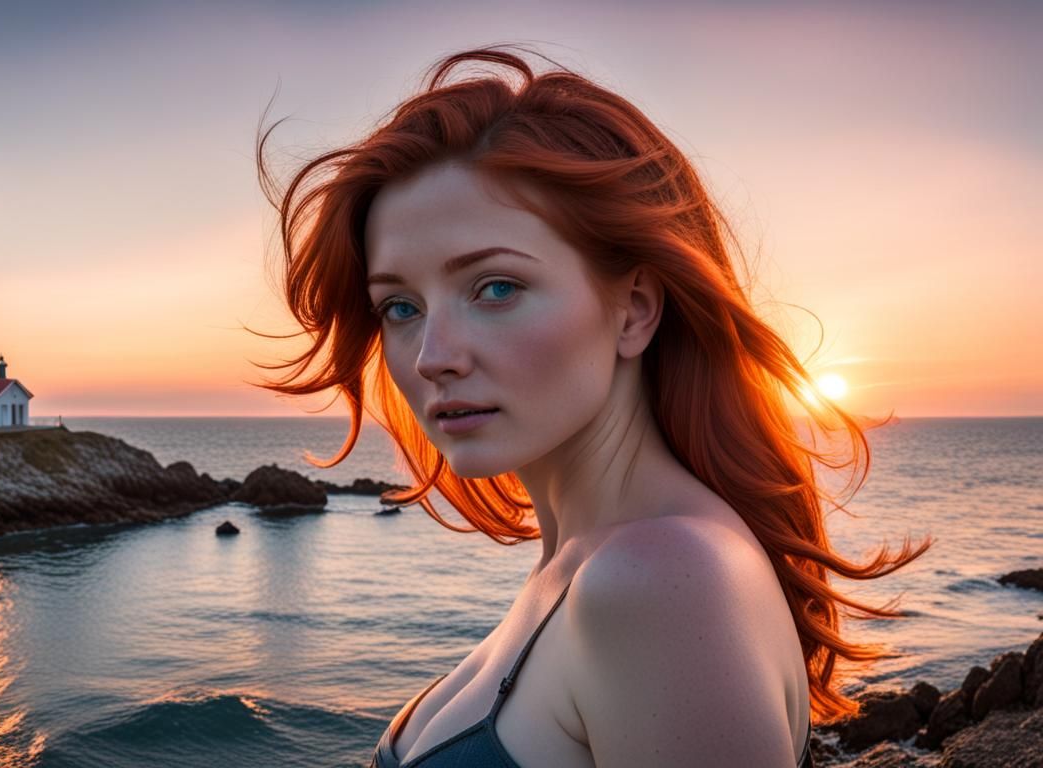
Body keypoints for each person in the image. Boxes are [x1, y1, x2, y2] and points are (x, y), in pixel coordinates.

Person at [253, 45, 932, 767]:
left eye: (495, 288)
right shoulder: (592, 565)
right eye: (400, 306)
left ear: (634, 309)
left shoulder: (661, 581)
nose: (432, 355)